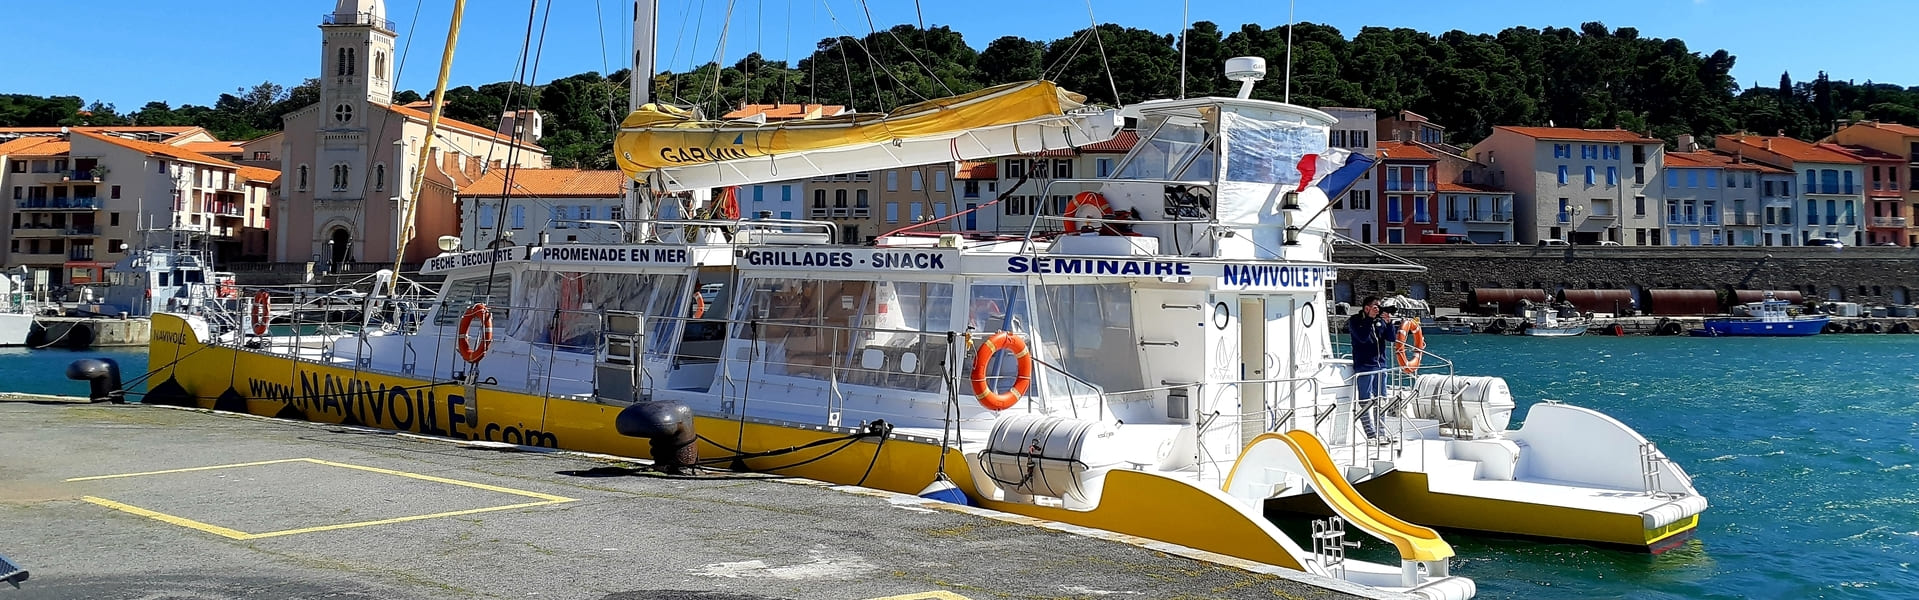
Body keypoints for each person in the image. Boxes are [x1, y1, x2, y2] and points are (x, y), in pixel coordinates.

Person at [1346, 296, 1397, 439]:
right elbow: (1361, 337)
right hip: (1365, 366)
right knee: (1365, 400)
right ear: (1366, 308)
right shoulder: (1355, 321)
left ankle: (1381, 433)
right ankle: (1370, 434)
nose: (1378, 309)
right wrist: (1369, 319)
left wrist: (1389, 323)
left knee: (1381, 399)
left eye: (1379, 307)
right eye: (1375, 307)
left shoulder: (1379, 321)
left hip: (1381, 365)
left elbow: (1392, 338)